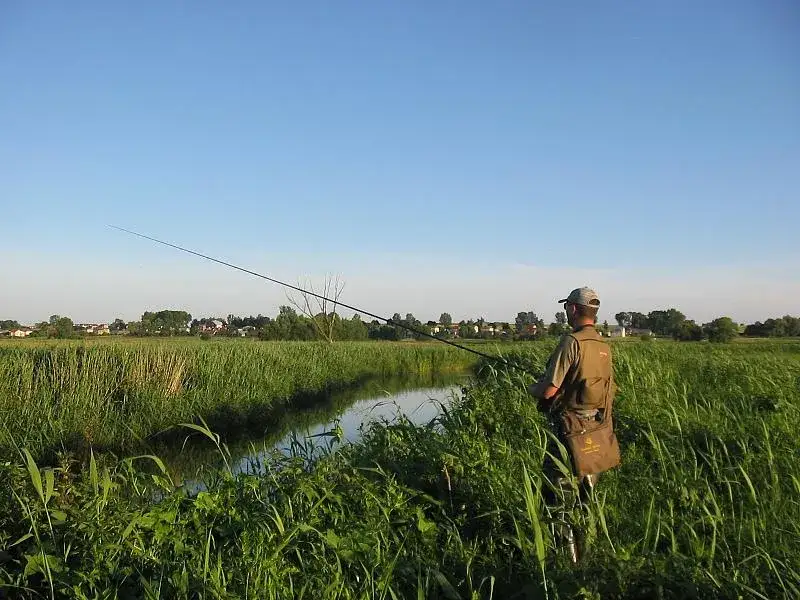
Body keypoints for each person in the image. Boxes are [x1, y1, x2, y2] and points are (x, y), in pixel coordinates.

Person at [528, 286, 620, 563]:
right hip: (597, 430)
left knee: (558, 497)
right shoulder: (603, 346)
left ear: (572, 308)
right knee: (587, 497)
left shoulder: (572, 342)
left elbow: (549, 390)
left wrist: (533, 388)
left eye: (566, 307)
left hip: (568, 431)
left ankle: (567, 564)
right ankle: (587, 554)